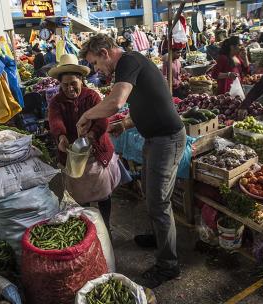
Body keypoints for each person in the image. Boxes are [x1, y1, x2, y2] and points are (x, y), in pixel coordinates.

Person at [76, 34, 185, 288]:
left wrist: (87, 115)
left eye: (95, 63)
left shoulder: (128, 61)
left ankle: (169, 265)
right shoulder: (129, 66)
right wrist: (125, 124)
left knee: (159, 202)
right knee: (151, 195)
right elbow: (145, 102)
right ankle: (160, 238)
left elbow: (116, 102)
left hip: (167, 139)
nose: (96, 69)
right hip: (155, 139)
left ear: (104, 52)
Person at [48, 54, 121, 230]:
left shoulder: (92, 96)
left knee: (103, 195)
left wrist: (91, 136)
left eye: (73, 83)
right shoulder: (56, 102)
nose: (70, 88)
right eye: (65, 85)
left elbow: (103, 120)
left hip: (96, 153)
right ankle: (90, 226)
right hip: (74, 156)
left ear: (81, 79)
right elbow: (55, 121)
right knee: (81, 197)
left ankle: (106, 224)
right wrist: (61, 137)